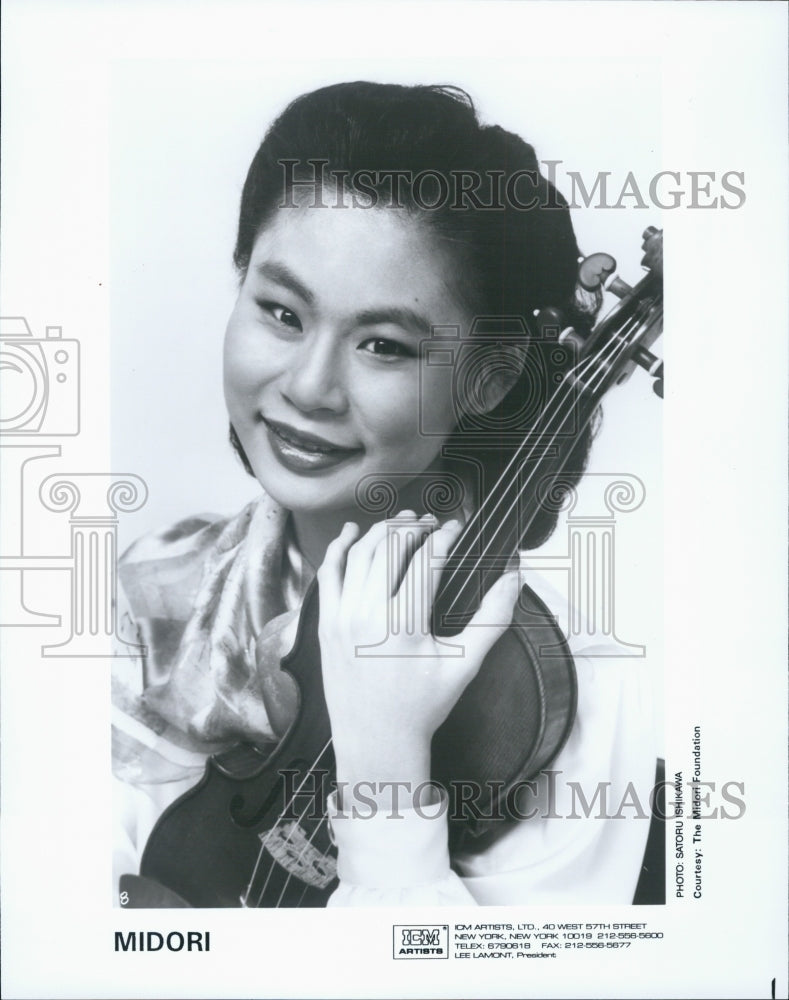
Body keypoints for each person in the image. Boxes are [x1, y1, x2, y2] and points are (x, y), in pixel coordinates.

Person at [112, 81, 657, 907]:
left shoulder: (584, 710)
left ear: (489, 377)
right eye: (282, 313)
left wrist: (385, 768)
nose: (309, 387)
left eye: (382, 345)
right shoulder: (154, 586)